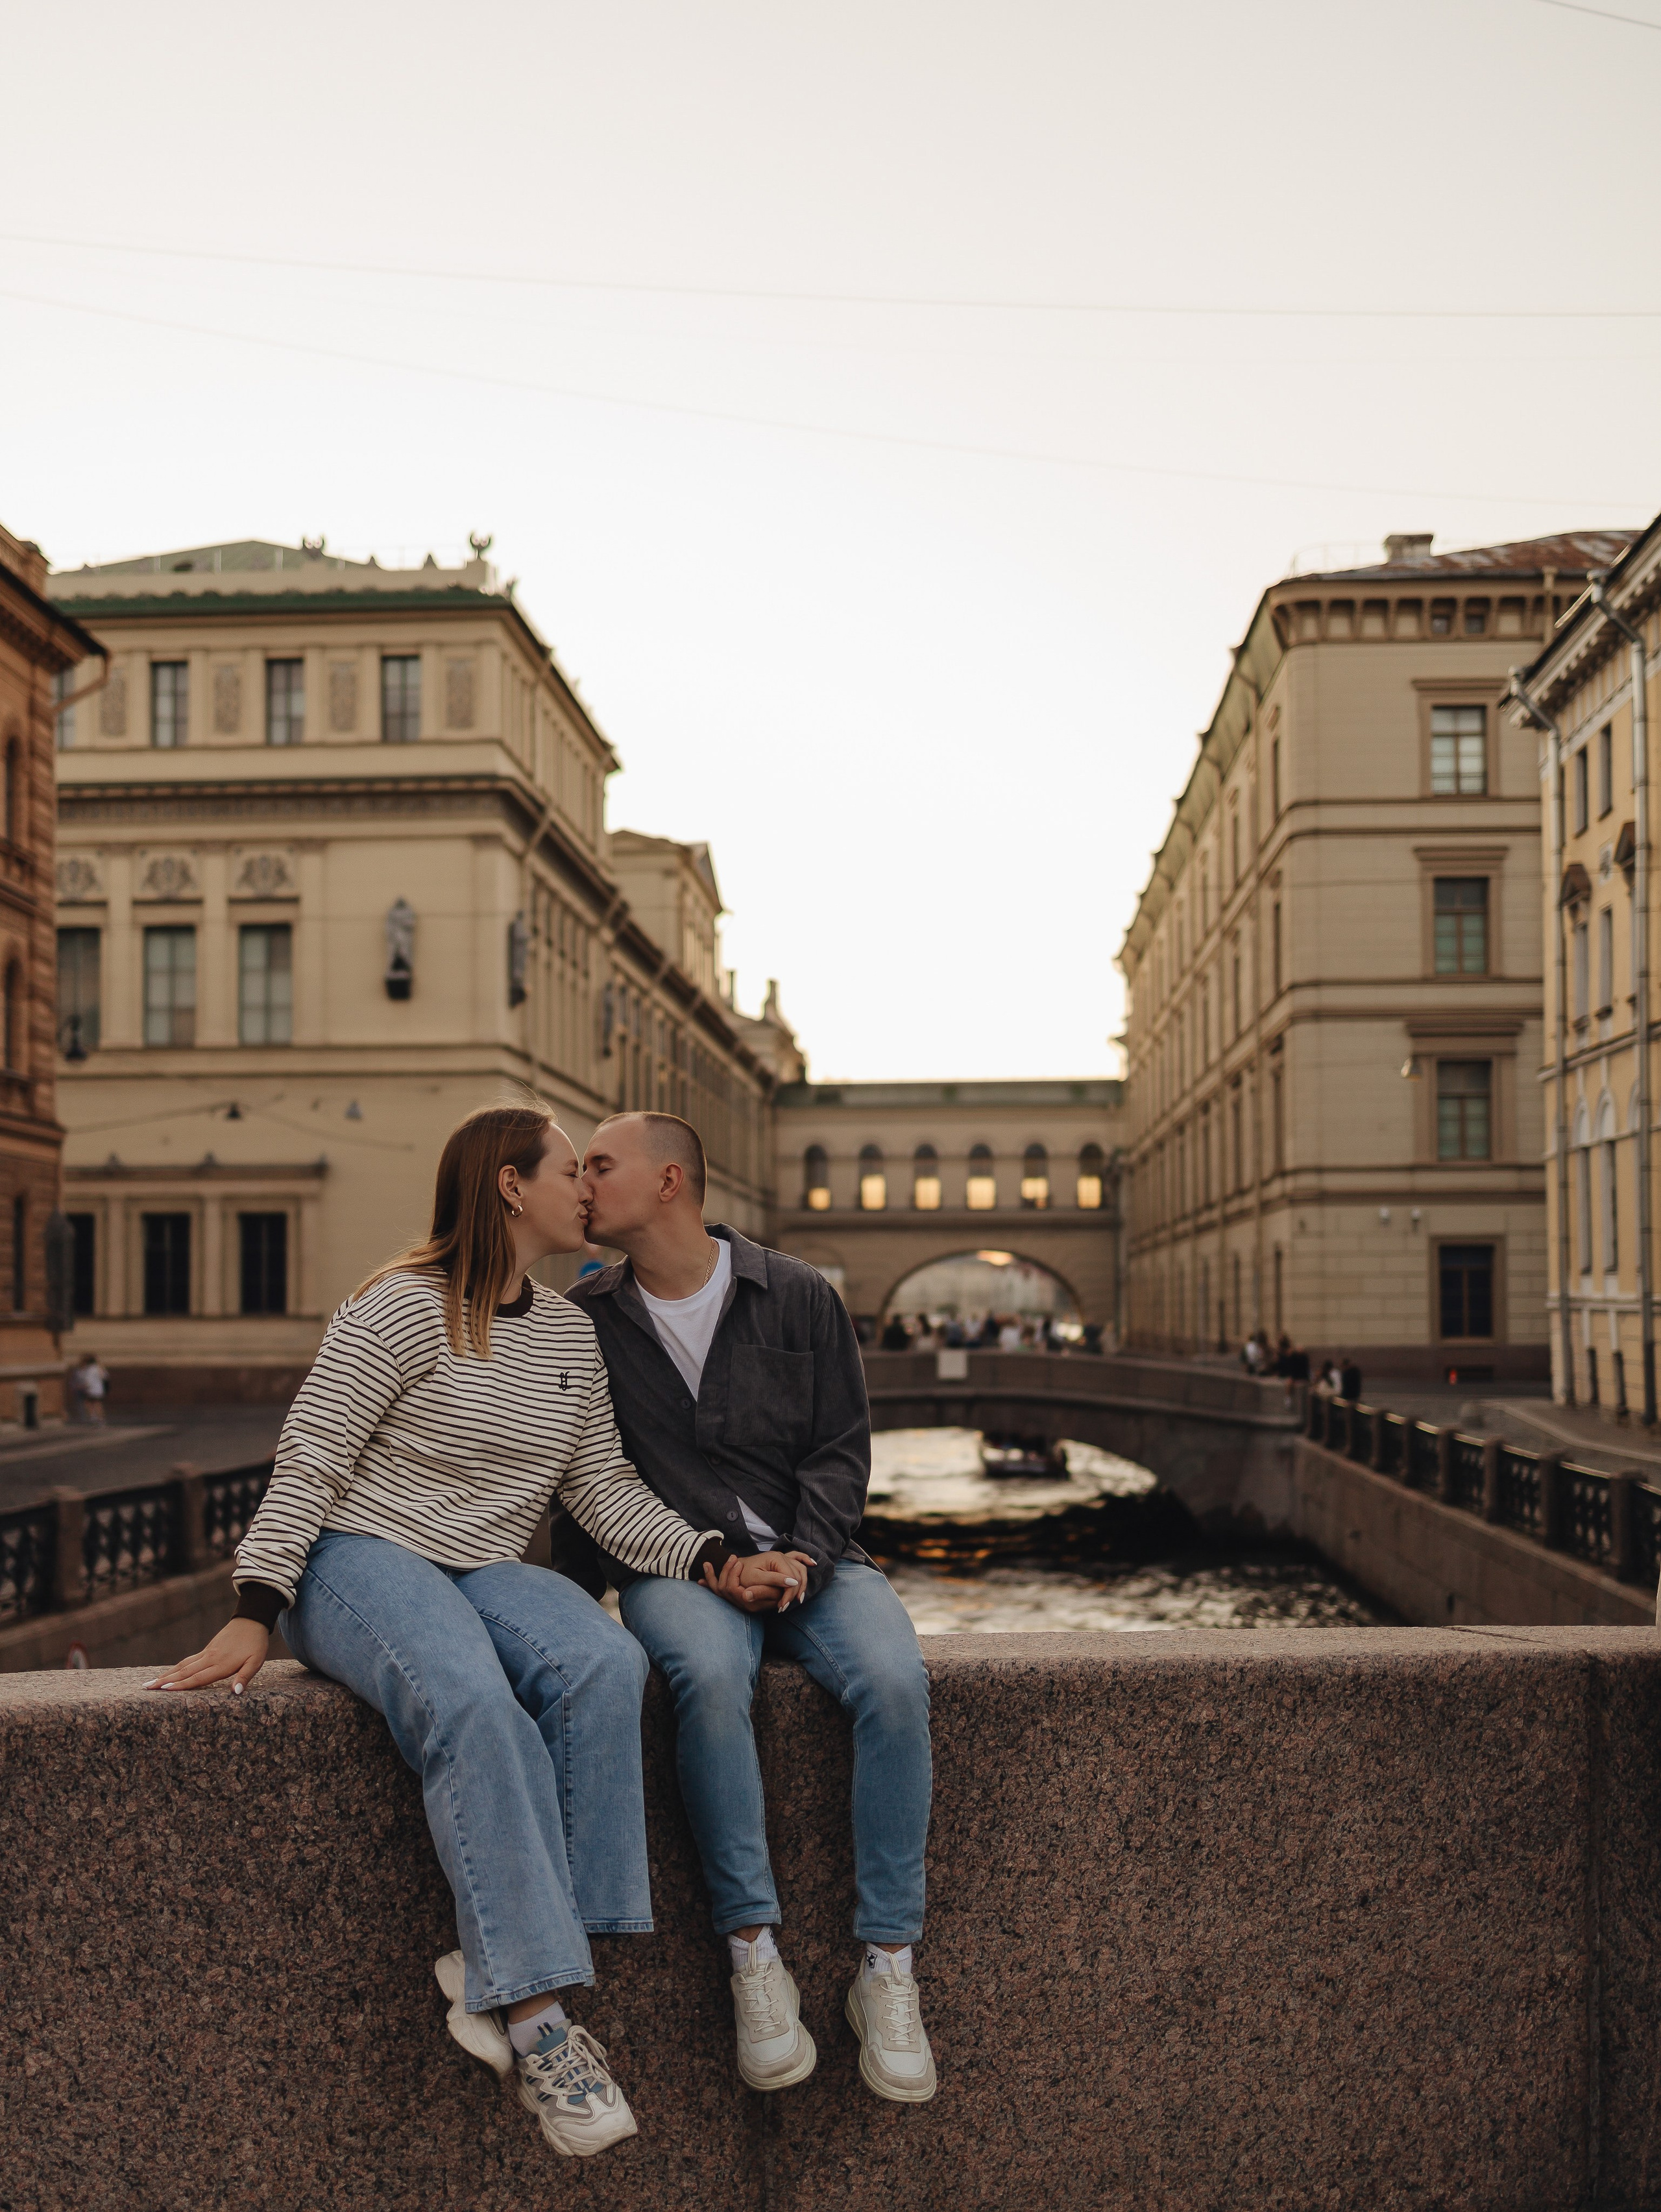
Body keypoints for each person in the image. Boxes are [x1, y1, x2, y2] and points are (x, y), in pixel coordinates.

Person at [143, 1103, 773, 2162]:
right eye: (572, 1171)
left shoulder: (570, 1330)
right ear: (510, 1187)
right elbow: (311, 1461)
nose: (590, 1189)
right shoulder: (396, 1308)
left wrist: (714, 1560)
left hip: (484, 1565)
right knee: (472, 1699)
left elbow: (602, 1491)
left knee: (601, 1661)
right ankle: (537, 2019)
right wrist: (256, 1606)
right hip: (355, 1557)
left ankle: (498, 1958)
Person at [570, 1112, 936, 2106]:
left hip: (820, 1562)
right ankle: (753, 1955)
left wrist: (804, 1559)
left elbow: (840, 1450)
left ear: (669, 1181)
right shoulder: (585, 1315)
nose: (582, 1182)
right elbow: (588, 1481)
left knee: (898, 1681)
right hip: (677, 1570)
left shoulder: (800, 1293)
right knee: (706, 1676)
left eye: (601, 1165)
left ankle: (887, 1967)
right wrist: (710, 1562)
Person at [72, 1352, 108, 1425]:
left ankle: (94, 1418)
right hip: (99, 1390)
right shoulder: (98, 1368)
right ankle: (100, 1419)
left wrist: (83, 1386)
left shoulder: (88, 1370)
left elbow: (87, 1381)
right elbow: (105, 1376)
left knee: (90, 1403)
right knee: (97, 1404)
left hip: (91, 1390)